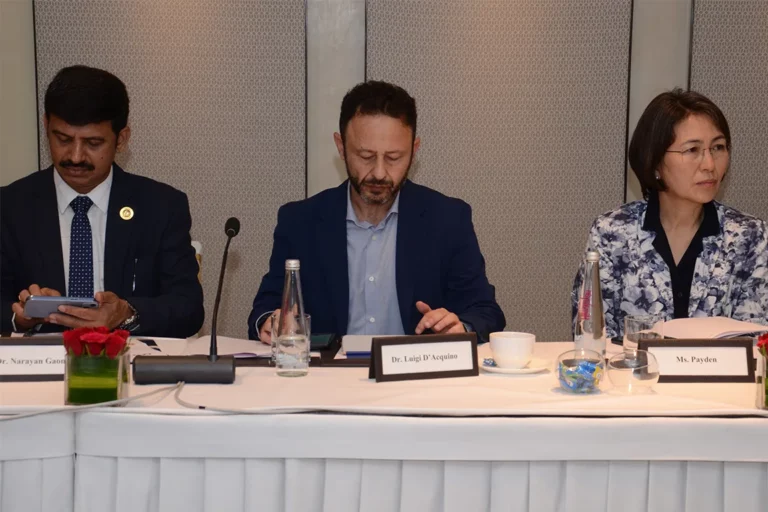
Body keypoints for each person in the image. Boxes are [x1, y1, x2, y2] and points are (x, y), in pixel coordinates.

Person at [249, 80, 505, 343]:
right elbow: (266, 307)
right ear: (341, 147)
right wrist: (271, 321)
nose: (380, 173)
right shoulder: (300, 222)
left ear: (414, 150)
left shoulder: (448, 219)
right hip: (328, 368)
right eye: (366, 156)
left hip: (415, 367)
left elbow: (485, 311)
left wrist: (460, 327)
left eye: (394, 157)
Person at [1, 65, 204, 337]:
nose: (75, 156)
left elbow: (188, 308)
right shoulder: (10, 206)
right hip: (41, 360)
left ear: (121, 139)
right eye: (63, 139)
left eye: (93, 143)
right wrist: (20, 317)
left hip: (127, 357)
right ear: (46, 126)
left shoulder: (161, 207)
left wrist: (126, 313)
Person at [572, 88, 767, 339]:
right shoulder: (612, 233)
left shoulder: (749, 236)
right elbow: (590, 336)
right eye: (692, 150)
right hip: (632, 366)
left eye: (718, 147)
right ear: (654, 161)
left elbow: (756, 342)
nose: (709, 165)